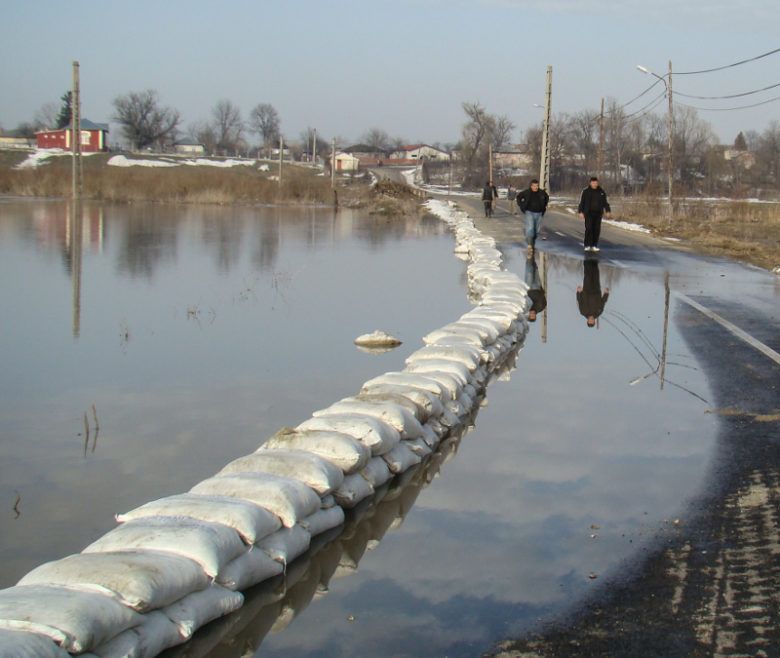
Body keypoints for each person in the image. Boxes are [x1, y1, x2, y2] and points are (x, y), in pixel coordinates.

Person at [577, 176, 611, 252]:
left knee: (596, 229)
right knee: (589, 228)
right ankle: (587, 245)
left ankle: (594, 245)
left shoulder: (601, 192)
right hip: (588, 213)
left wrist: (608, 210)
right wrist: (580, 212)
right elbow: (582, 202)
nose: (595, 184)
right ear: (590, 183)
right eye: (593, 182)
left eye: (596, 182)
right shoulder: (586, 191)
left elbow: (605, 202)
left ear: (597, 183)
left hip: (598, 213)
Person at [516, 178, 549, 255]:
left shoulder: (541, 192)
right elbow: (519, 197)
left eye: (537, 186)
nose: (536, 187)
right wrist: (521, 205)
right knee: (530, 228)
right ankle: (530, 245)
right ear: (531, 186)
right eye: (534, 186)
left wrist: (545, 205)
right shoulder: (527, 192)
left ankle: (532, 243)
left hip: (539, 213)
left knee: (536, 230)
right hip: (529, 212)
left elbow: (547, 197)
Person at [576, 258, 609, 328]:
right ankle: (594, 260)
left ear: (587, 321)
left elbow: (579, 301)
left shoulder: (583, 312)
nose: (591, 320)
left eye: (589, 321)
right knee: (595, 273)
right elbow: (603, 302)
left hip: (586, 290)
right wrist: (606, 293)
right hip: (596, 290)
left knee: (588, 275)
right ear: (595, 321)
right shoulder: (599, 312)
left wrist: (578, 292)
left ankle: (587, 260)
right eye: (592, 321)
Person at [525, 251, 546, 322]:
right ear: (535, 316)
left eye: (531, 316)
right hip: (537, 287)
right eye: (533, 316)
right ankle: (532, 256)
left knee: (529, 271)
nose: (532, 314)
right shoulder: (540, 308)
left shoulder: (527, 307)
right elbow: (544, 302)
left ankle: (529, 257)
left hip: (529, 288)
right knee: (535, 269)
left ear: (529, 315)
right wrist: (542, 293)